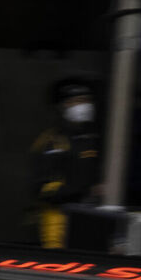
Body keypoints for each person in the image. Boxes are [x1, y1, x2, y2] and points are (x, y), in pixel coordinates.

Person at [25, 75, 104, 247]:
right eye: (77, 101)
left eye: (86, 100)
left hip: (89, 218)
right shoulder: (52, 142)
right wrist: (85, 189)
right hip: (56, 221)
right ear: (63, 106)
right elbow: (43, 189)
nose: (84, 106)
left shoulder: (92, 139)